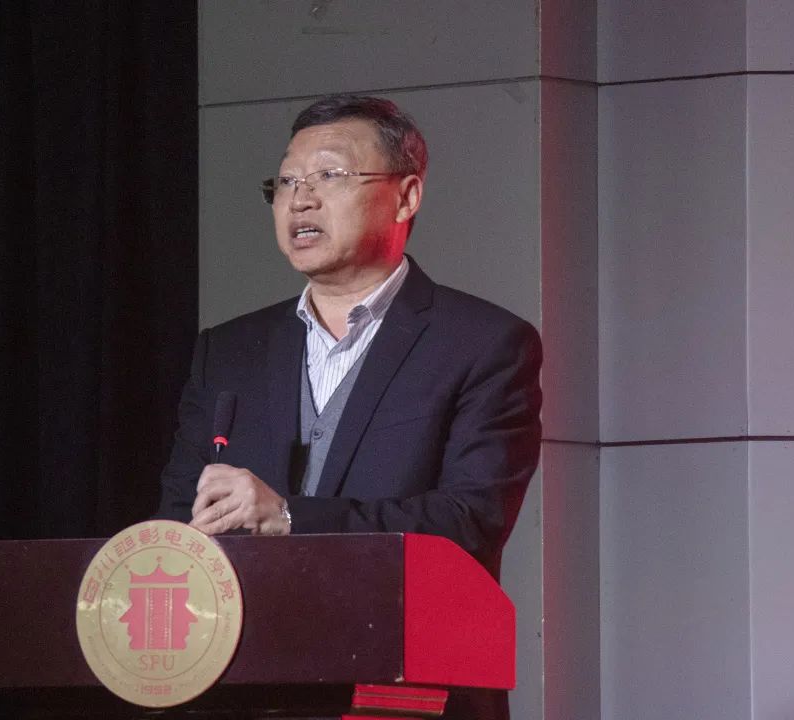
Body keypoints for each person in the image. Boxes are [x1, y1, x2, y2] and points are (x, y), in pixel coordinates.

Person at [157, 93, 540, 719]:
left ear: (406, 196)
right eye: (286, 182)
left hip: (406, 692)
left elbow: (469, 521)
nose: (300, 200)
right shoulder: (227, 351)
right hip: (243, 691)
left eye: (329, 175)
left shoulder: (483, 343)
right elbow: (177, 520)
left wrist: (289, 517)